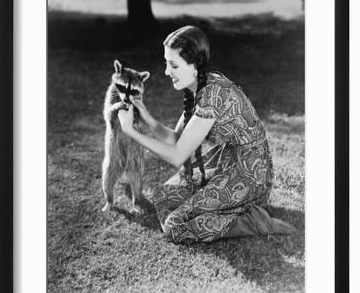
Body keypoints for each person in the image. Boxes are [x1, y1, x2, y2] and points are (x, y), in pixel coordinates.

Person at [117, 25, 294, 244]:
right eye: (166, 63)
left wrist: (129, 131)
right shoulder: (198, 86)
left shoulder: (213, 96)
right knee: (161, 196)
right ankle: (213, 211)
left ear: (194, 66)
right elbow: (177, 139)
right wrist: (147, 118)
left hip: (248, 177)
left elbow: (177, 155)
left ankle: (252, 220)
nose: (166, 72)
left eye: (173, 65)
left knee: (174, 227)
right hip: (223, 167)